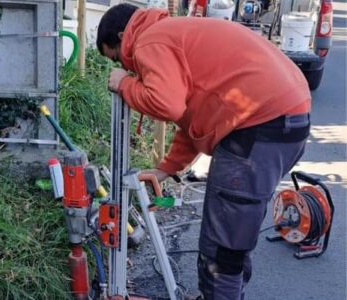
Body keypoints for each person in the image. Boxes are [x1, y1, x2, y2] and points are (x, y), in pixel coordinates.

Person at [97, 4, 311, 300]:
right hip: (285, 122)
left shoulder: (149, 41)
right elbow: (192, 116)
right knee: (235, 236)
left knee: (221, 251)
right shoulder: (173, 32)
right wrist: (167, 168)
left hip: (258, 127)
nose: (124, 65)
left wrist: (125, 85)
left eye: (117, 57)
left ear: (123, 36)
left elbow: (166, 104)